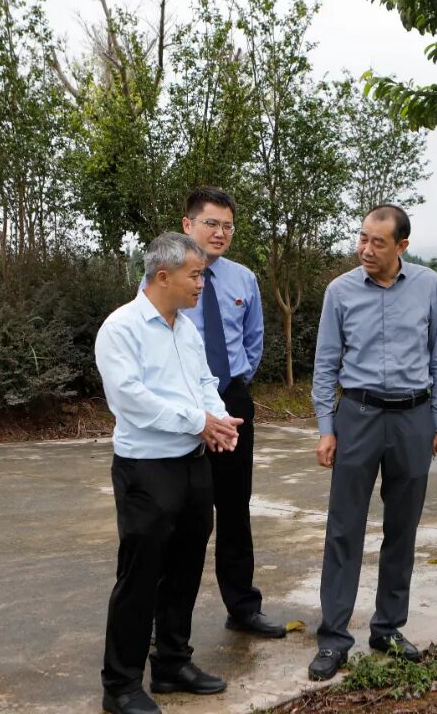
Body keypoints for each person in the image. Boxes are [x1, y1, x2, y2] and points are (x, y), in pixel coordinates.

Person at [95, 233, 243, 714]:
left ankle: (172, 664)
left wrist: (217, 420)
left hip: (193, 464)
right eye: (195, 275)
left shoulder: (186, 328)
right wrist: (199, 421)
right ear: (163, 276)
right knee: (140, 576)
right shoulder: (121, 328)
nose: (202, 283)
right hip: (147, 468)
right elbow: (131, 399)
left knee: (184, 568)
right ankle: (120, 685)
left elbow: (204, 381)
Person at [307, 204, 437, 681]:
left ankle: (387, 627)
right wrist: (326, 427)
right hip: (358, 415)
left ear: (402, 246)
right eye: (362, 238)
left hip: (413, 418)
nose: (366, 249)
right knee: (344, 528)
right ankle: (334, 637)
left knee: (402, 527)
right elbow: (326, 363)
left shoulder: (429, 285)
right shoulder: (340, 291)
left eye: (378, 242)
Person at [180, 187, 285, 638]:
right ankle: (166, 619)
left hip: (233, 402)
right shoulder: (165, 275)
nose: (220, 233)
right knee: (182, 513)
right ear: (188, 225)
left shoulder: (244, 279)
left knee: (235, 507)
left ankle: (242, 606)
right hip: (183, 405)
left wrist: (232, 387)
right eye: (211, 223)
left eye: (228, 226)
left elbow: (253, 341)